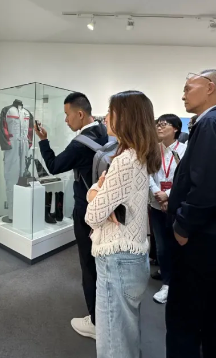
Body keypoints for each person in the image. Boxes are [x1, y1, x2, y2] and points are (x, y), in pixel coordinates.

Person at [166, 70, 216, 358]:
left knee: (185, 312)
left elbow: (207, 185)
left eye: (189, 88)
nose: (183, 95)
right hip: (215, 232)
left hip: (203, 234)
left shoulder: (213, 122)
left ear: (210, 87)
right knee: (213, 307)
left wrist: (183, 225)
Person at [85, 90, 161, 358]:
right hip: (132, 255)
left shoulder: (124, 161)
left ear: (126, 117)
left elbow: (92, 215)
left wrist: (95, 193)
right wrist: (99, 195)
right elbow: (103, 201)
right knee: (126, 335)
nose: (105, 117)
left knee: (114, 344)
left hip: (116, 258)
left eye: (111, 111)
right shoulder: (139, 156)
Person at [34, 92, 109, 339]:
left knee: (88, 264)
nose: (66, 120)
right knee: (101, 264)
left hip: (86, 210)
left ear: (80, 113)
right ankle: (105, 313)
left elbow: (54, 166)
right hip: (105, 208)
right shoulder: (104, 132)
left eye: (67, 115)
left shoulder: (80, 144)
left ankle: (96, 322)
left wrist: (43, 141)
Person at [149, 114, 187, 304]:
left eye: (164, 124)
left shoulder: (185, 150)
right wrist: (158, 193)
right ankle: (167, 282)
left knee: (177, 243)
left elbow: (185, 178)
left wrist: (168, 195)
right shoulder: (153, 150)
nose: (159, 127)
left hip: (176, 204)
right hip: (156, 204)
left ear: (176, 128)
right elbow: (147, 174)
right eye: (157, 124)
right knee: (161, 246)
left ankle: (178, 281)